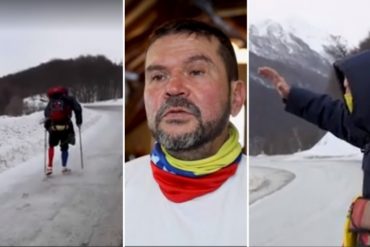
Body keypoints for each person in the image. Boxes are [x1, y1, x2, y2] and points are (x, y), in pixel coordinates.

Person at [125, 19, 246, 246]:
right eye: (158, 76)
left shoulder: (264, 194)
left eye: (196, 72)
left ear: (236, 97)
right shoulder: (121, 188)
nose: (173, 88)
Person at [258, 50, 370, 245]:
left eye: (350, 90)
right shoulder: (366, 128)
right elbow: (331, 113)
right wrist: (292, 95)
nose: (346, 96)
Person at [44, 86, 82, 176]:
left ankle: (49, 167)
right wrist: (79, 122)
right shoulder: (69, 99)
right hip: (65, 127)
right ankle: (64, 168)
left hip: (53, 128)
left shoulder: (51, 101)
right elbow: (78, 109)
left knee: (51, 146)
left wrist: (47, 125)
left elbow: (46, 113)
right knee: (64, 147)